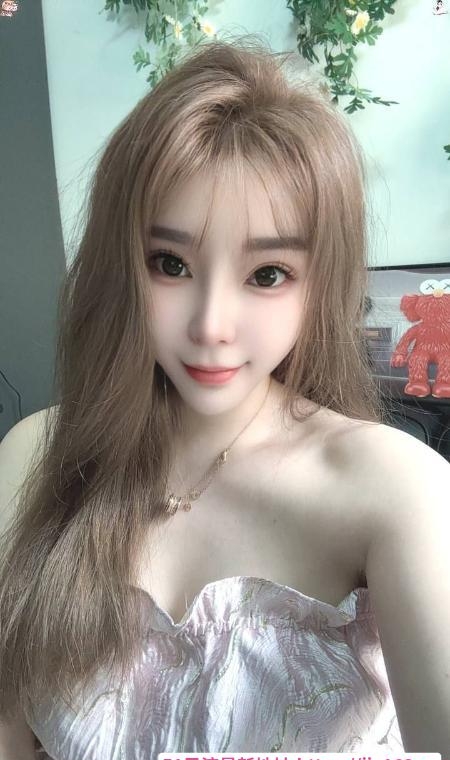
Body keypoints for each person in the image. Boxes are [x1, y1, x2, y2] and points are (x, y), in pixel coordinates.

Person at [0, 37, 449, 758]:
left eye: (267, 274)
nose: (211, 325)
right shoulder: (36, 456)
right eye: (170, 263)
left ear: (319, 284)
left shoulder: (398, 491)